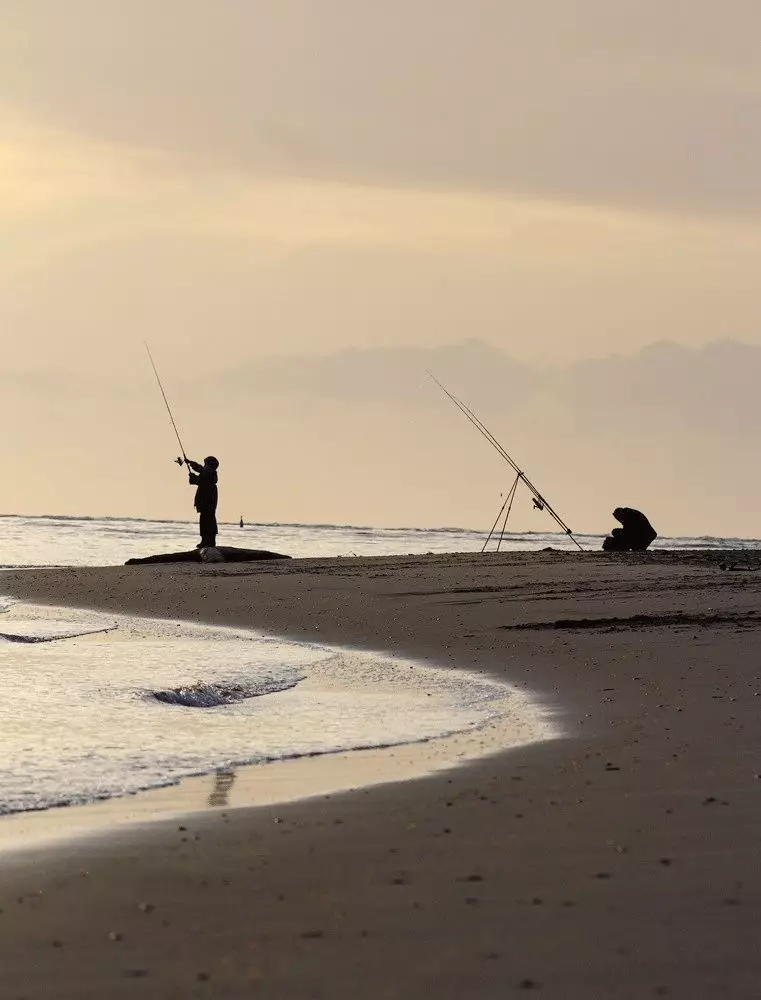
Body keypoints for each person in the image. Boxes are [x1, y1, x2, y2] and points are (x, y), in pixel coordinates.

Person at [187, 456, 219, 548]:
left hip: (207, 504)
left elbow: (200, 477)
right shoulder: (209, 474)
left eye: (205, 464)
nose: (204, 465)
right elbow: (199, 478)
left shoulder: (210, 473)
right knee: (205, 521)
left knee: (208, 521)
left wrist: (192, 474)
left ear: (210, 465)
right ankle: (205, 541)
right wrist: (191, 463)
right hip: (206, 504)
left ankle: (208, 542)